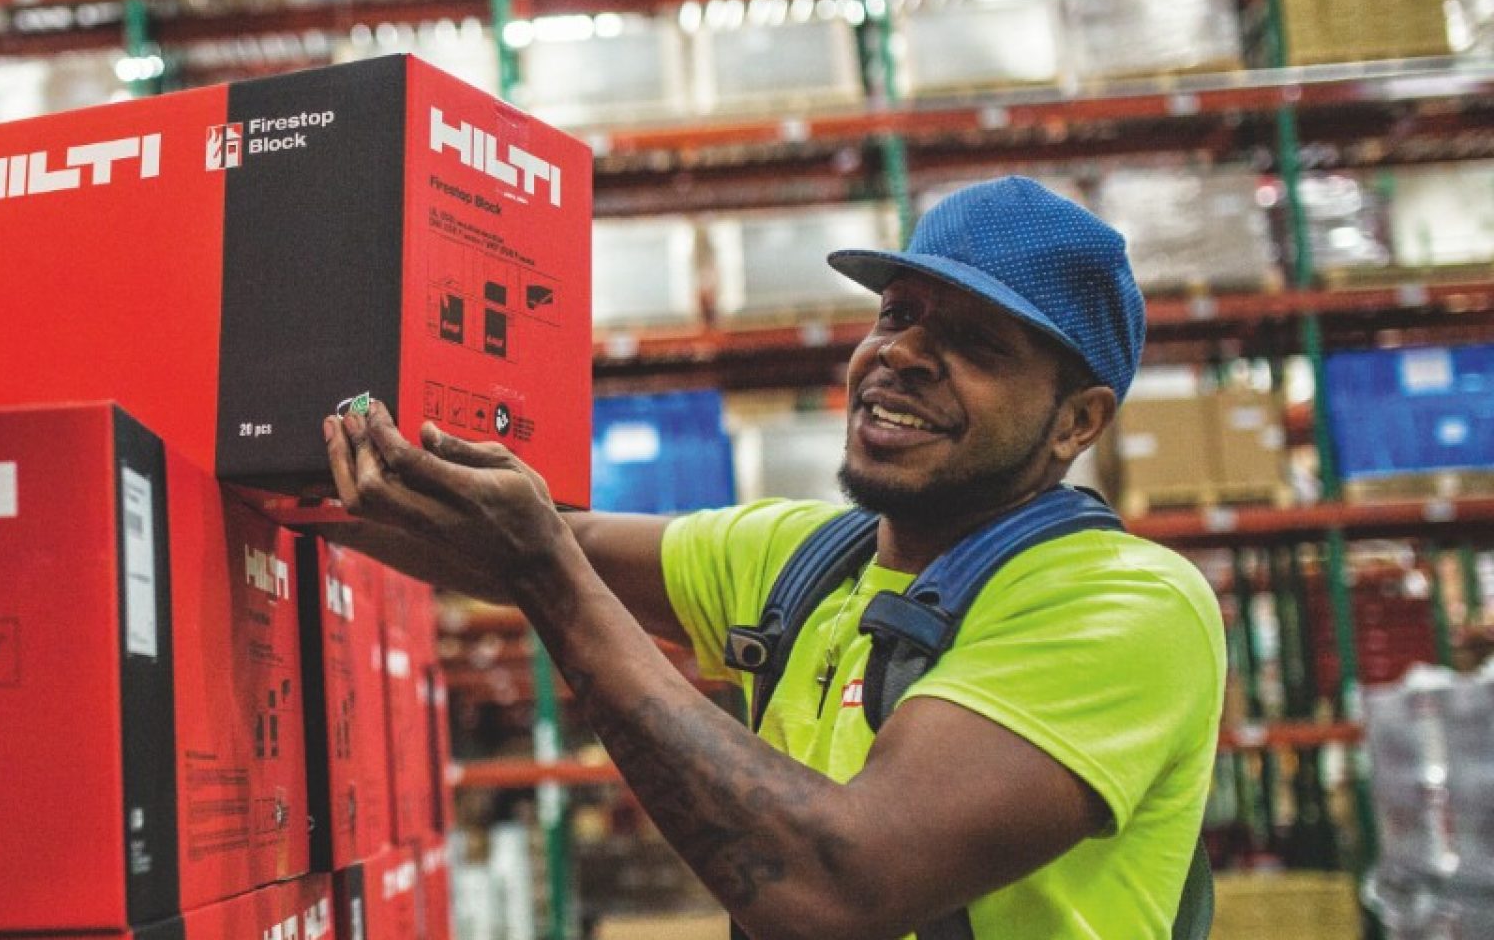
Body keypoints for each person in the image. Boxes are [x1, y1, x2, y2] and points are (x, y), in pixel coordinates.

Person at [320, 176, 1226, 940]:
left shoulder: (1126, 607)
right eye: (898, 314)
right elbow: (513, 536)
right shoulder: (809, 559)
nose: (902, 354)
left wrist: (544, 573)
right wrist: (280, 475)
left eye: (977, 344)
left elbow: (843, 886)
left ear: (1077, 421)